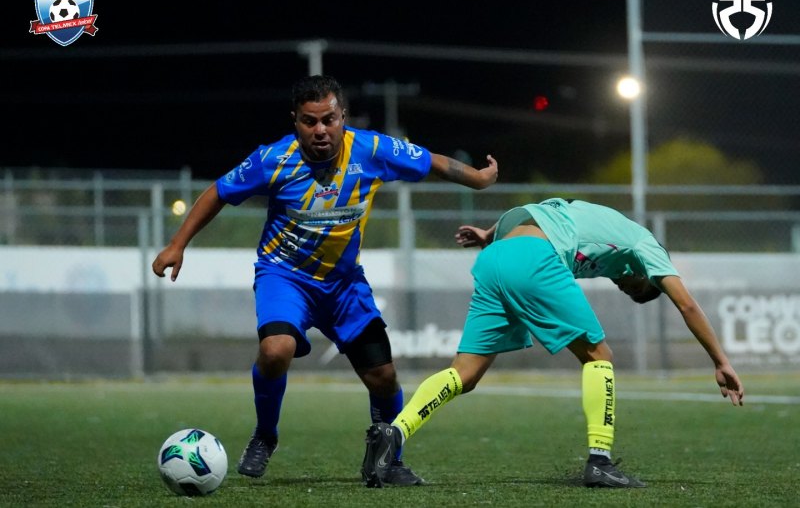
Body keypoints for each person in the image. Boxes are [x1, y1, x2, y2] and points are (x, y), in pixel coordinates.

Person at [151, 75, 498, 486]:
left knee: (384, 377)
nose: (320, 130)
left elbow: (431, 161)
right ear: (295, 121)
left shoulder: (371, 150)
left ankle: (389, 460)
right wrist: (177, 244)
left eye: (328, 120)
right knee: (276, 350)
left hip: (344, 285)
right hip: (285, 277)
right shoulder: (272, 159)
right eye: (309, 121)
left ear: (342, 117)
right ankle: (265, 434)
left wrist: (478, 179)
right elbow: (219, 192)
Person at [362, 197, 744, 488]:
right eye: (636, 287)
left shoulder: (593, 220)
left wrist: (489, 235)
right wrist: (721, 361)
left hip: (495, 258)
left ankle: (394, 432)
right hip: (532, 257)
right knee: (599, 355)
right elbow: (687, 305)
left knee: (464, 373)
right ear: (647, 272)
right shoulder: (646, 245)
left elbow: (537, 210)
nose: (624, 286)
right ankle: (600, 461)